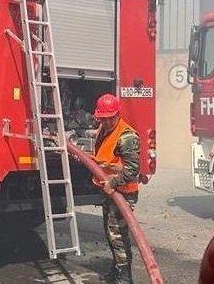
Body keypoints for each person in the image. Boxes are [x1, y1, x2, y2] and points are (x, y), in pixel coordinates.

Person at [91, 93, 141, 284]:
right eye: (103, 118)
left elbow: (132, 169)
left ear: (117, 115)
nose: (106, 122)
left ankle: (125, 277)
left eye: (110, 118)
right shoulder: (104, 130)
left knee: (118, 235)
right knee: (111, 234)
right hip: (109, 191)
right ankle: (117, 269)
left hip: (123, 193)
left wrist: (112, 183)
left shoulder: (127, 136)